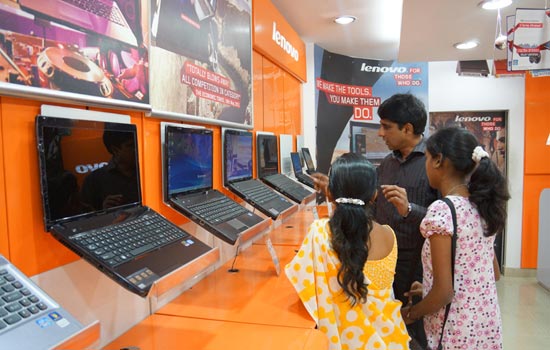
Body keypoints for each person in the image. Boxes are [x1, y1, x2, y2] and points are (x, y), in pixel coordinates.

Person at [314, 93, 438, 348]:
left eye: (386, 126)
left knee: (412, 328)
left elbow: (446, 222)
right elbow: (366, 203)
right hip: (378, 261)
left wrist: (410, 209)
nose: (380, 133)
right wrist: (341, 191)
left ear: (407, 128)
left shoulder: (432, 164)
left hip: (416, 264)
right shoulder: (387, 165)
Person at [285, 153, 410, 350]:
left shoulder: (320, 233)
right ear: (374, 195)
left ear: (330, 194)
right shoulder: (389, 236)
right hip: (391, 340)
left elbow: (302, 284)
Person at [401, 127, 508, 349]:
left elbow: (444, 292)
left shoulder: (443, 210)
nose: (426, 165)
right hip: (485, 327)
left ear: (439, 160)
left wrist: (409, 314)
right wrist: (427, 286)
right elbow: (491, 273)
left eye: (428, 158)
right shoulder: (482, 206)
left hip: (454, 333)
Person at [80, 125, 139, 210]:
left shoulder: (146, 172)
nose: (137, 149)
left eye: (138, 143)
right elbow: (86, 218)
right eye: (131, 145)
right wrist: (103, 210)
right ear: (115, 150)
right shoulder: (93, 180)